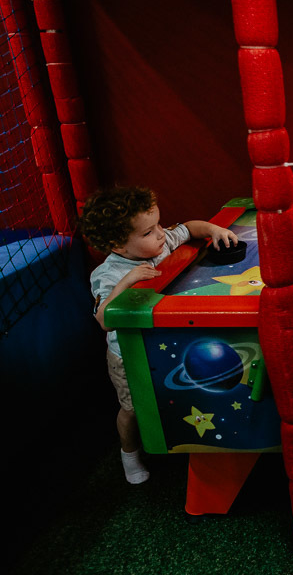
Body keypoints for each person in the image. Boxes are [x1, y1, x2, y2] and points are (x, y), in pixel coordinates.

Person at [80, 186, 239, 483]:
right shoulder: (109, 273)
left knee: (174, 394)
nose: (162, 234)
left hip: (161, 343)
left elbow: (190, 228)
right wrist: (127, 281)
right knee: (133, 408)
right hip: (128, 354)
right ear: (117, 245)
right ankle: (129, 453)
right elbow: (104, 320)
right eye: (148, 232)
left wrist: (214, 229)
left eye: (158, 225)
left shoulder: (160, 242)